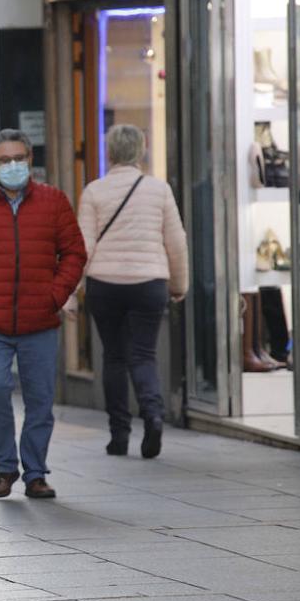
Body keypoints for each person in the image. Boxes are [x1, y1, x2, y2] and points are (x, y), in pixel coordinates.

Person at [0, 129, 86, 500]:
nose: (13, 165)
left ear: (30, 159)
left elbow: (74, 253)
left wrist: (55, 295)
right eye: (5, 160)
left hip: (39, 321)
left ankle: (36, 472)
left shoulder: (54, 202)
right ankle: (5, 468)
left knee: (40, 400)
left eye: (19, 158)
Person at [76, 124, 188, 459]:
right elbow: (176, 242)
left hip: (104, 284)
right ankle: (152, 415)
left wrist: (70, 293)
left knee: (114, 357)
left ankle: (119, 435)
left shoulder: (94, 191)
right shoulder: (159, 190)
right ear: (142, 151)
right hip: (149, 283)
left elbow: (83, 248)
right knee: (143, 354)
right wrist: (178, 285)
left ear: (108, 153)